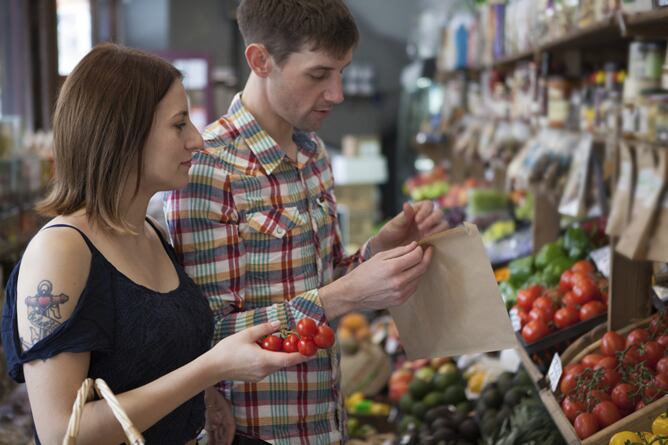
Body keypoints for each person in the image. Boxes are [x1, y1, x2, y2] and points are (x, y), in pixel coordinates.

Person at [165, 0, 448, 443]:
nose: (337, 93)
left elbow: (324, 277)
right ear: (261, 61)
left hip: (325, 421)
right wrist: (344, 294)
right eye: (319, 75)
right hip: (256, 432)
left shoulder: (314, 153)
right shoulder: (207, 168)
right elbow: (205, 336)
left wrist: (378, 250)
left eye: (342, 71)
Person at [0, 43, 308, 445]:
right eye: (179, 124)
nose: (197, 140)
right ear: (122, 134)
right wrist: (210, 370)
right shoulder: (61, 251)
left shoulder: (150, 232)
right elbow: (62, 433)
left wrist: (208, 398)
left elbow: (151, 360)